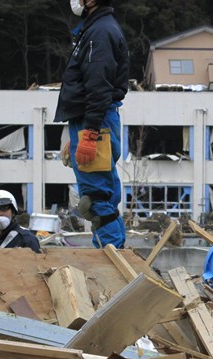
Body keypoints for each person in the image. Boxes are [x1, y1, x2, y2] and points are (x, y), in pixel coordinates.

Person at [54, 0, 129, 248]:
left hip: (94, 120)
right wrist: (78, 137)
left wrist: (90, 134)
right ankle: (112, 259)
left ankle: (113, 263)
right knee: (100, 197)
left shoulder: (100, 32)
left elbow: (98, 86)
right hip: (90, 120)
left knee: (97, 200)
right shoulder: (96, 29)